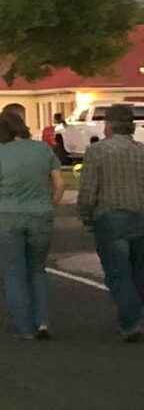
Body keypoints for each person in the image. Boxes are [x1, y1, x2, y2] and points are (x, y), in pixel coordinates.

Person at [0, 107, 65, 340]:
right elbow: (59, 184)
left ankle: (25, 326)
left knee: (15, 272)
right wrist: (51, 204)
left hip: (9, 215)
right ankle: (43, 321)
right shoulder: (43, 150)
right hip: (40, 215)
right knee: (37, 270)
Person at [74, 102, 144, 342]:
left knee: (118, 273)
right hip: (141, 216)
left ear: (109, 126)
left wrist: (85, 216)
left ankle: (130, 322)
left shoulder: (97, 152)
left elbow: (88, 191)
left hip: (111, 218)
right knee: (139, 272)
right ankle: (136, 313)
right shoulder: (142, 151)